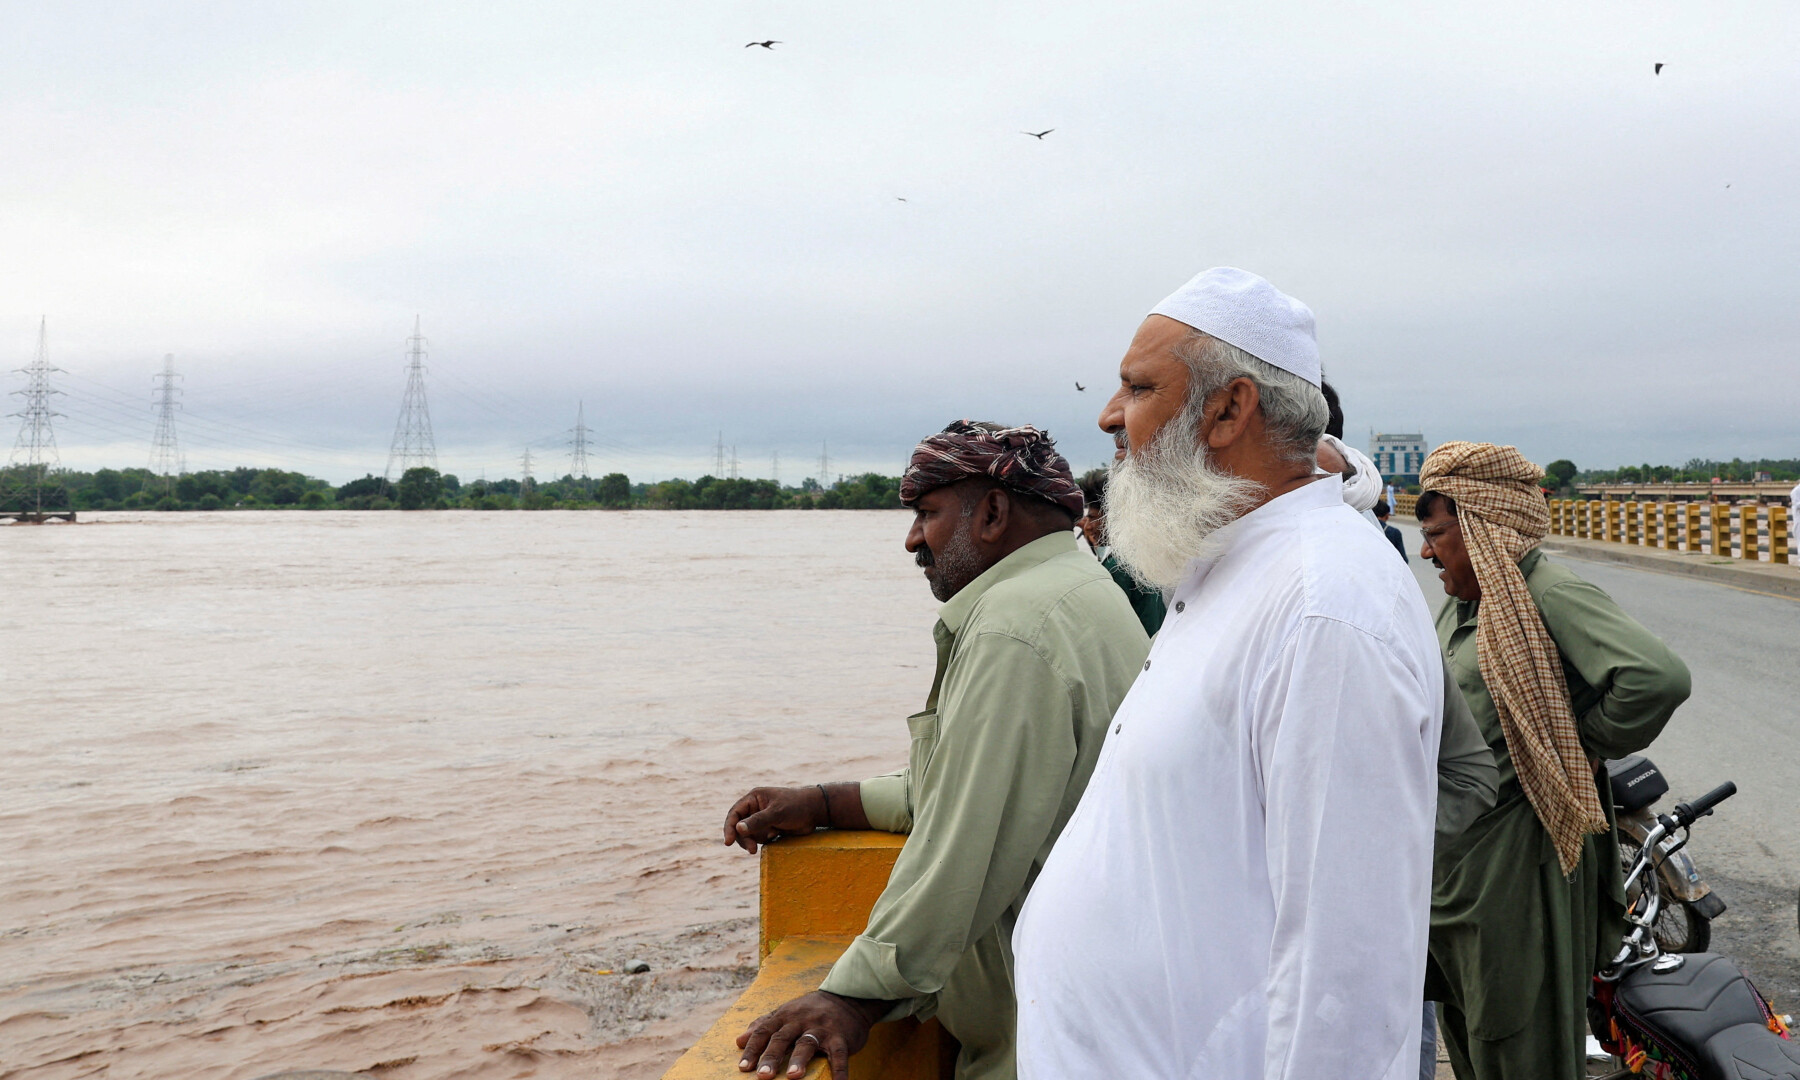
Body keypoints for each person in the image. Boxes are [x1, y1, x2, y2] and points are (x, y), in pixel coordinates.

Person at [1011, 267, 1444, 1079]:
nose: (1109, 416)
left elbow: (1345, 972)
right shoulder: (1232, 566)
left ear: (1229, 409)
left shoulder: (1323, 606)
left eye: (1138, 388)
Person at [722, 420, 1149, 1080]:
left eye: (927, 513)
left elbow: (964, 841)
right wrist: (827, 801)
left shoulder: (1018, 627)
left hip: (1043, 1046)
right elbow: (973, 781)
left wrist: (853, 997)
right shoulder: (1079, 593)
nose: (913, 539)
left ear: (995, 512)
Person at [1416, 442, 1691, 1080]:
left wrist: (1575, 740)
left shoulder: (1547, 590)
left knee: (1520, 1048)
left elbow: (1656, 677)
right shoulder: (1472, 601)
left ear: (1480, 525)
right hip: (1457, 880)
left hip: (1518, 876)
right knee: (1469, 1042)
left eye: (1435, 535)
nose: (1426, 552)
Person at [1075, 467, 1167, 635]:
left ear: (1112, 518)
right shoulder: (1141, 556)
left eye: (1094, 518)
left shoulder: (1116, 567)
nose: (1088, 527)